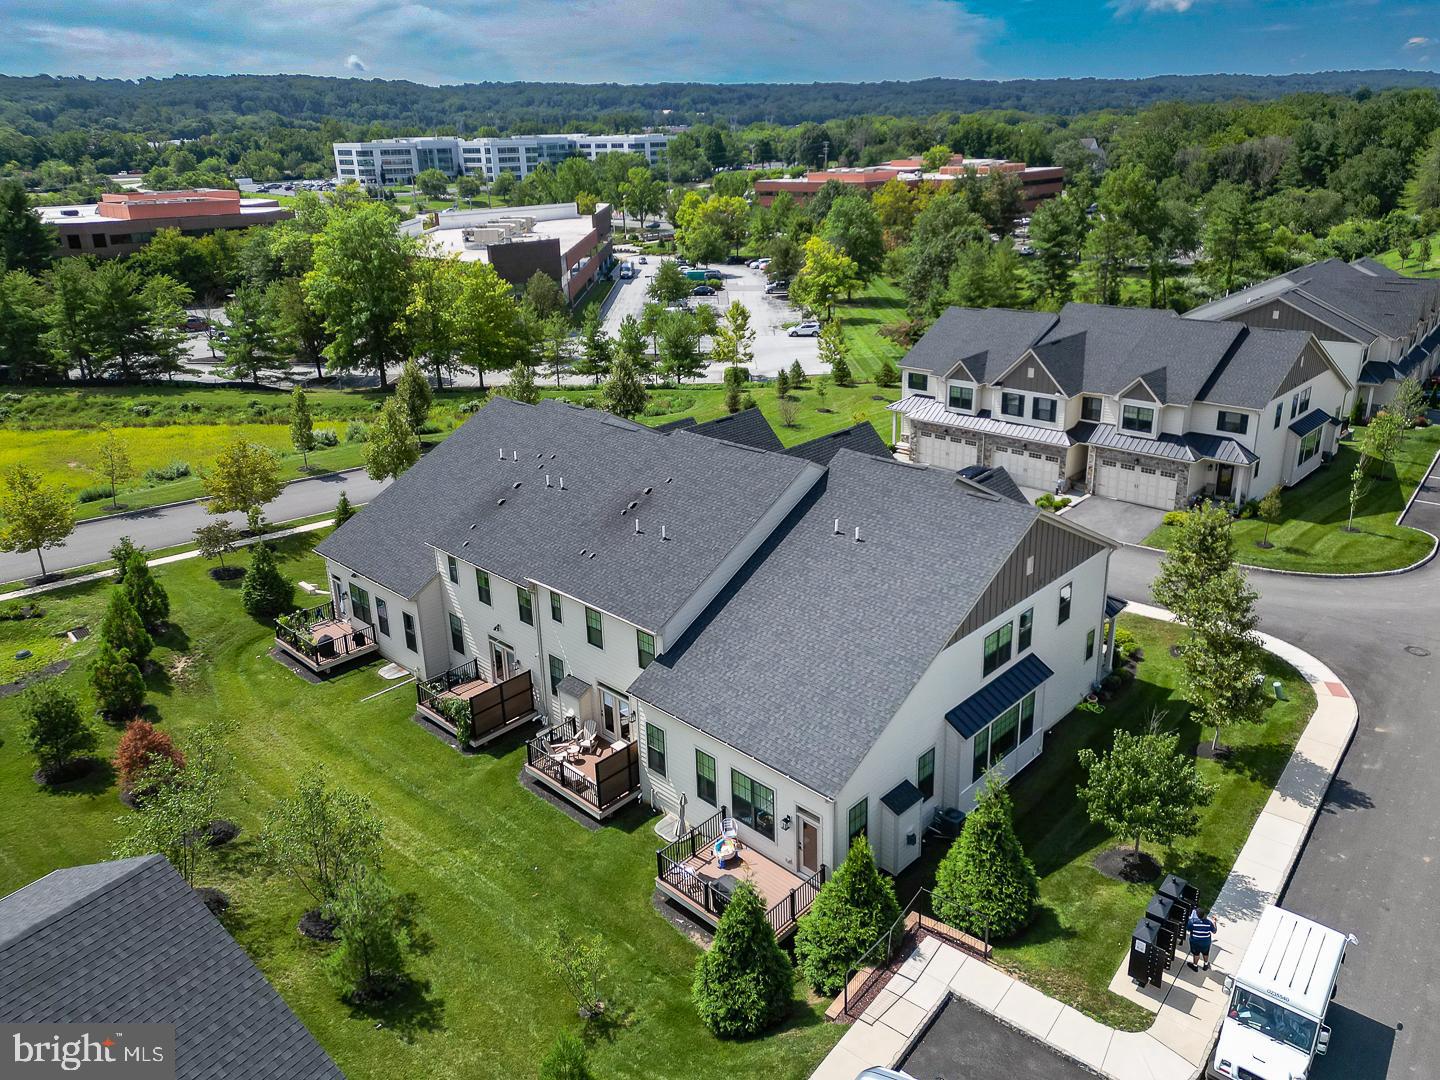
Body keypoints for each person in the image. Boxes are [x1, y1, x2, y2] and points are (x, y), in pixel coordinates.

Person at [1187, 906, 1218, 971]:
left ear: (1197, 915)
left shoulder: (1192, 922)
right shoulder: (1209, 923)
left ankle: (1195, 966)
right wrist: (1214, 922)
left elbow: (1188, 929)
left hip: (1195, 942)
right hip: (1206, 942)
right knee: (1205, 953)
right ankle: (1206, 965)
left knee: (1196, 954)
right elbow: (1214, 931)